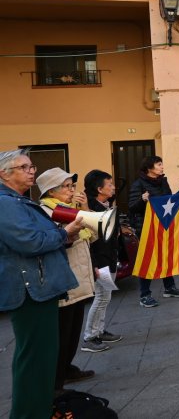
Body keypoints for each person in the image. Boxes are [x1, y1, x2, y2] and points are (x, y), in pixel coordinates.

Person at [0, 150, 82, 418]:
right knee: (35, 359)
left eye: (31, 166)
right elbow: (30, 242)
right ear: (4, 173)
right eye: (24, 167)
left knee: (42, 358)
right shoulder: (6, 203)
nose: (31, 170)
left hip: (37, 289)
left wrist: (60, 235)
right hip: (30, 291)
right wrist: (64, 233)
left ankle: (38, 410)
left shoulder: (17, 201)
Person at [36, 167, 99, 391]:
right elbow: (61, 241)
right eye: (66, 186)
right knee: (62, 333)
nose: (72, 190)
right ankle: (56, 382)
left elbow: (91, 236)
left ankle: (67, 368)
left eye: (72, 186)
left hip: (79, 277)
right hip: (64, 280)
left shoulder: (70, 209)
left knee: (73, 331)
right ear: (51, 191)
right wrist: (72, 229)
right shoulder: (45, 212)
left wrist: (85, 211)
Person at [128, 155, 179, 307]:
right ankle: (145, 295)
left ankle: (169, 288)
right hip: (146, 228)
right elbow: (132, 207)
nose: (162, 167)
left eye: (162, 164)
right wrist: (142, 200)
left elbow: (168, 202)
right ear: (150, 168)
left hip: (163, 225)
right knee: (147, 259)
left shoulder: (163, 181)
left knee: (165, 255)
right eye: (159, 164)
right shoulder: (138, 184)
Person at [81, 169, 123, 352]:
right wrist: (95, 264)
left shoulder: (105, 203)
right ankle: (90, 337)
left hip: (110, 257)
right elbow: (91, 237)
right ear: (99, 189)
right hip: (100, 259)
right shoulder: (89, 208)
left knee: (105, 297)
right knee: (101, 297)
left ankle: (99, 330)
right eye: (110, 184)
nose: (113, 187)